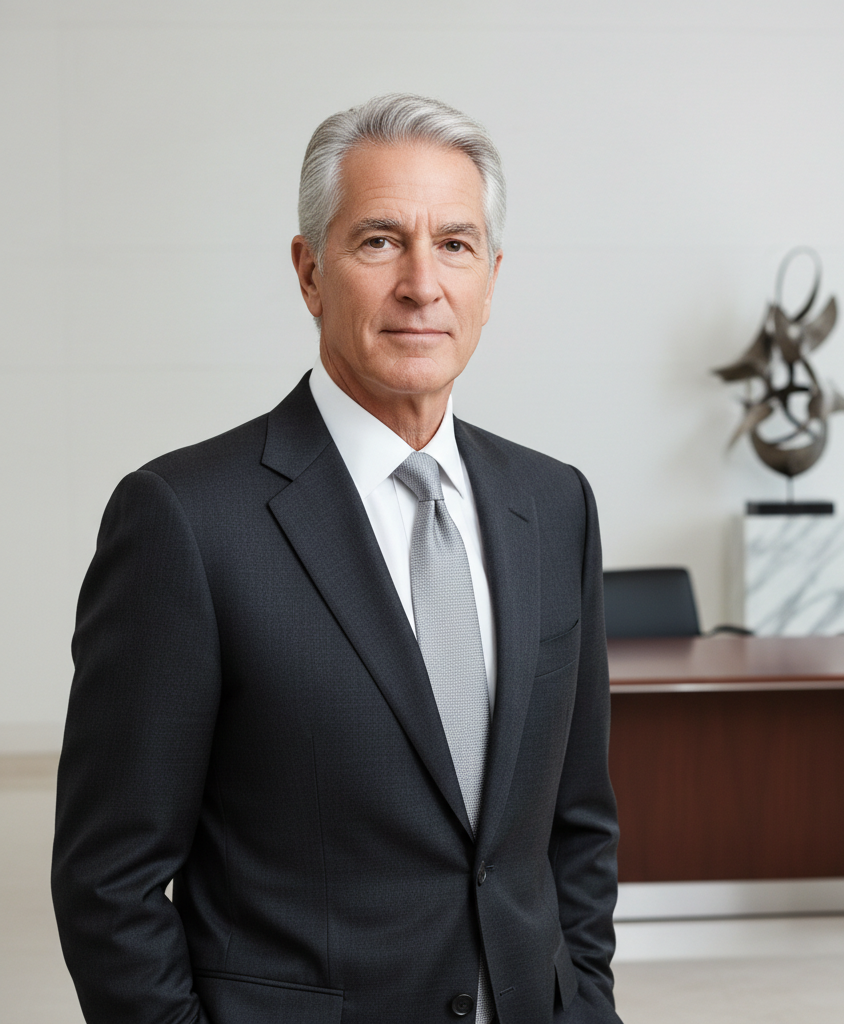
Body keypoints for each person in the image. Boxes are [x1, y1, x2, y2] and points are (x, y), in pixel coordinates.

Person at [52, 94, 621, 1024]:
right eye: (380, 241)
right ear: (310, 271)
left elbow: (578, 823)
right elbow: (108, 881)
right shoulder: (184, 521)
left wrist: (587, 1003)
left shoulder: (556, 506)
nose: (422, 284)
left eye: (455, 244)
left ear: (490, 279)